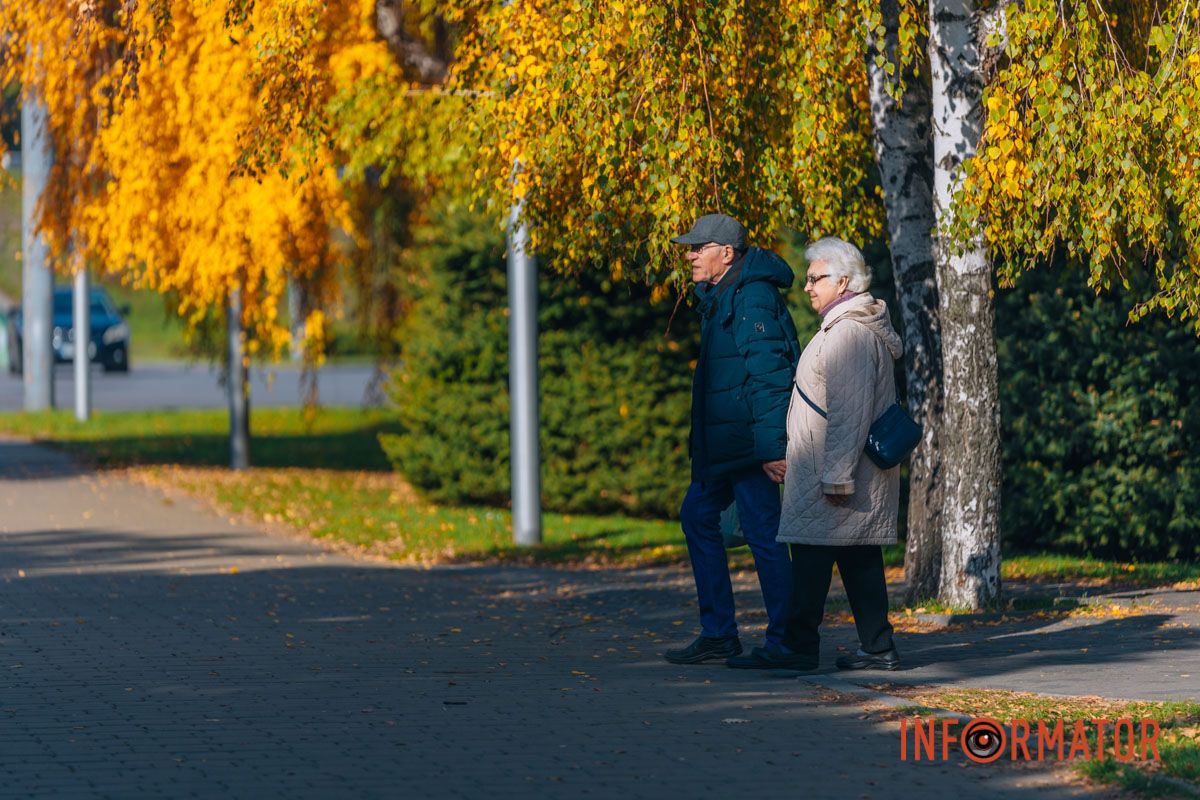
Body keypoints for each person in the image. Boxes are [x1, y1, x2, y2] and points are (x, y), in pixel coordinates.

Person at [662, 213, 802, 666]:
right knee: (697, 516)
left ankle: (787, 641)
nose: (690, 255)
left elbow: (771, 376)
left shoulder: (752, 296)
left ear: (726, 253)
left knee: (763, 534)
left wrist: (773, 449)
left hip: (749, 446)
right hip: (726, 446)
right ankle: (719, 632)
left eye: (698, 247)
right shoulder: (723, 294)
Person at [764, 236, 904, 671]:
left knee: (811, 557)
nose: (807, 286)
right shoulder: (843, 327)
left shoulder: (849, 333)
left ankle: (798, 647)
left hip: (836, 472)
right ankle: (877, 647)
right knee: (858, 558)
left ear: (843, 281)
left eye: (815, 278)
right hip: (831, 467)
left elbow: (849, 412)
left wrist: (838, 476)